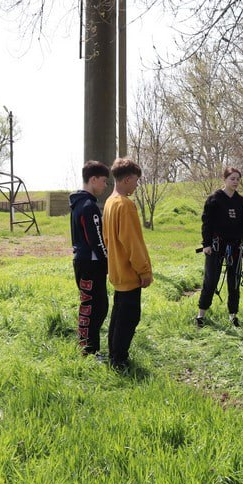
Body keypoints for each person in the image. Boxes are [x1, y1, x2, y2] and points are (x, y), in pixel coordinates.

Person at [103, 158, 153, 372]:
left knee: (118, 314)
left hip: (116, 270)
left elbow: (107, 239)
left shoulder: (109, 202)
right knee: (129, 317)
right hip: (129, 271)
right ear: (125, 179)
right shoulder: (125, 205)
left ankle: (113, 354)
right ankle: (119, 360)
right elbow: (132, 242)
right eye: (135, 180)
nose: (136, 185)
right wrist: (144, 271)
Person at [195, 167, 243, 328]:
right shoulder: (214, 199)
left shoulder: (241, 202)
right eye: (232, 178)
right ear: (225, 179)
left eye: (238, 179)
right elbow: (207, 223)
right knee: (211, 280)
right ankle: (201, 315)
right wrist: (206, 244)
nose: (235, 182)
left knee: (234, 282)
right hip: (216, 246)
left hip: (236, 247)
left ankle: (233, 316)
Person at [69, 160, 111, 357]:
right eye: (104, 181)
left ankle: (88, 348)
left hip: (85, 262)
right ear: (93, 179)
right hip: (90, 264)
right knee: (94, 306)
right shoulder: (88, 206)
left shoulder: (80, 203)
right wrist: (108, 262)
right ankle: (88, 351)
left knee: (95, 305)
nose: (105, 186)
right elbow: (96, 240)